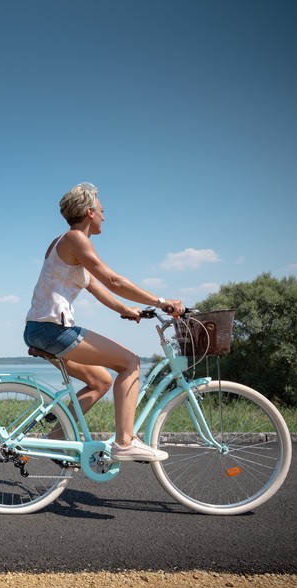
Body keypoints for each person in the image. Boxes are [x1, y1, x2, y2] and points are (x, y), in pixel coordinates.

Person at [23, 183, 184, 462]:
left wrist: (127, 309)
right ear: (89, 212)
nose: (104, 217)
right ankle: (124, 442)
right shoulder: (76, 239)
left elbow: (96, 286)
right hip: (53, 330)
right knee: (130, 362)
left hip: (38, 329)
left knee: (99, 381)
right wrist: (160, 302)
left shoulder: (62, 243)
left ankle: (54, 440)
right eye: (102, 211)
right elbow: (114, 280)